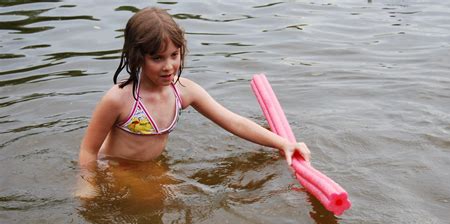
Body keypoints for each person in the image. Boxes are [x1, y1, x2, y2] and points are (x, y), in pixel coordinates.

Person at [77, 7, 310, 195]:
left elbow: (233, 121)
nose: (168, 66)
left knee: (225, 185)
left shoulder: (184, 91)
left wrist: (283, 144)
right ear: (138, 57)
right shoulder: (119, 99)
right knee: (159, 197)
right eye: (157, 58)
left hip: (150, 166)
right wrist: (88, 184)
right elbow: (89, 150)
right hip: (117, 167)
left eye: (174, 55)